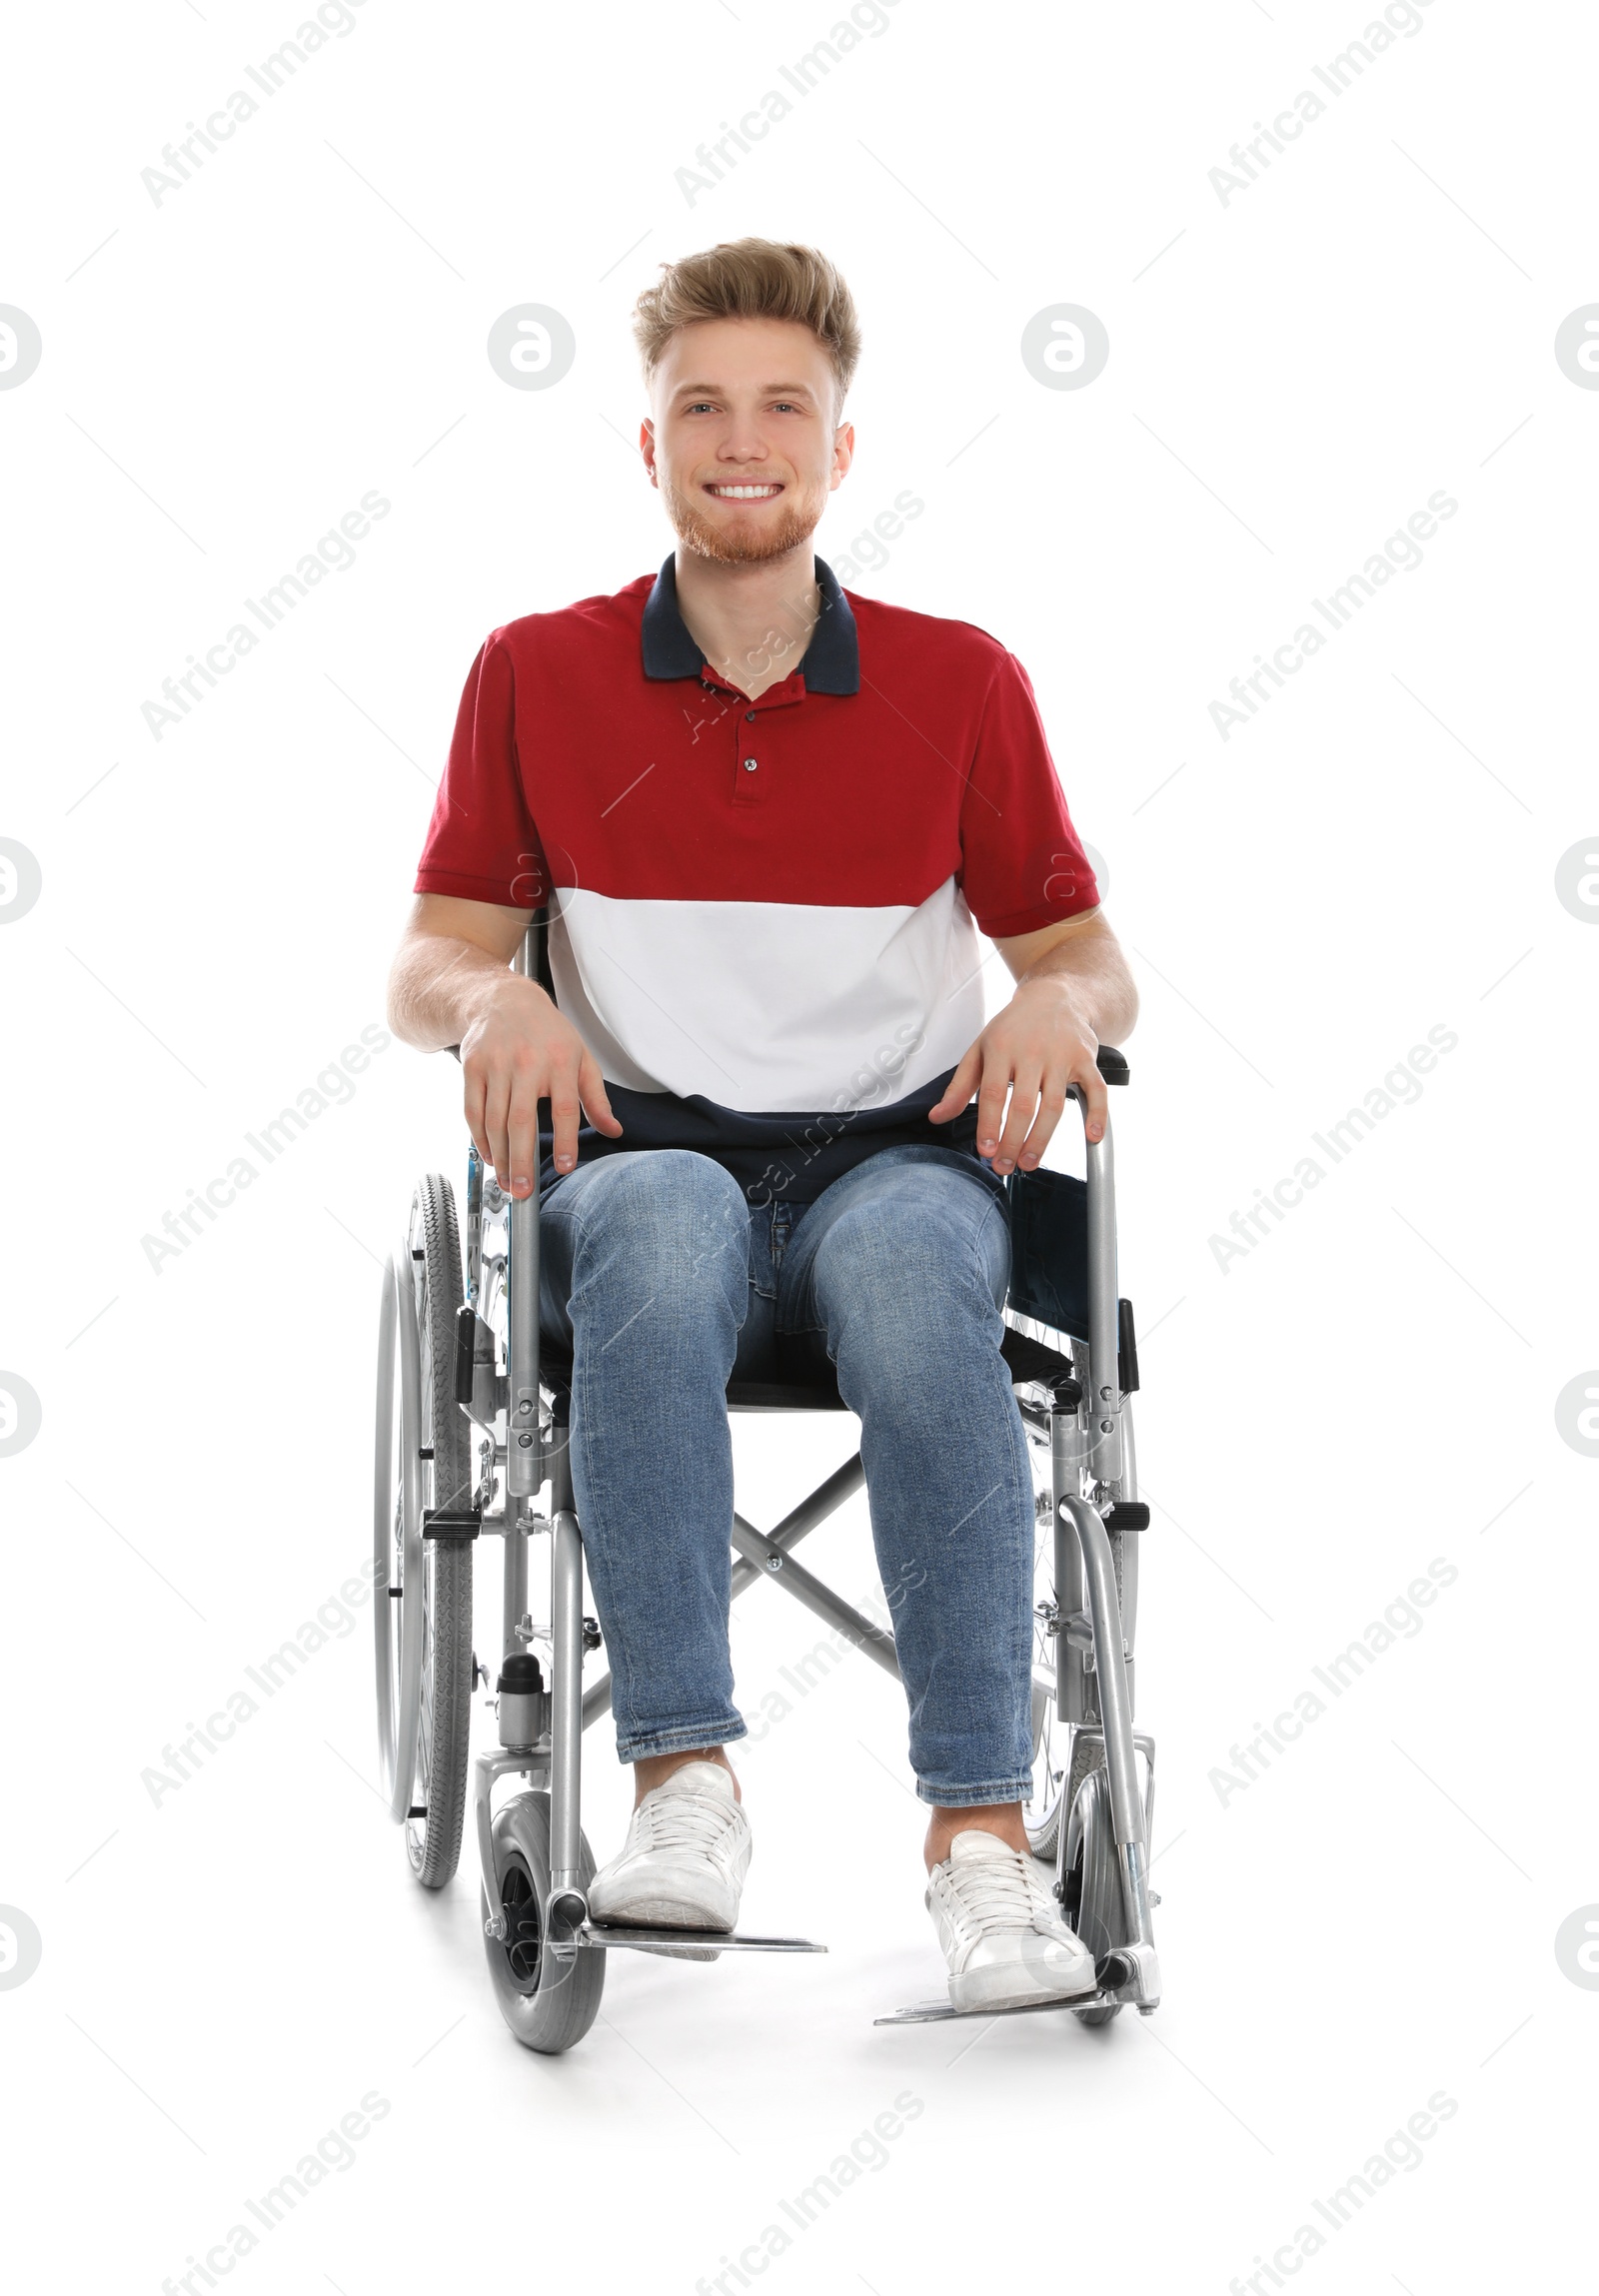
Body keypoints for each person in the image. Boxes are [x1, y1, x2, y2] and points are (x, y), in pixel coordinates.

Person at [386, 238, 1138, 2013]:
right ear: (644, 446)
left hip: (896, 1157)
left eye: (781, 406)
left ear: (838, 450)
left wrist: (1056, 997)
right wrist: (494, 998)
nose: (743, 439)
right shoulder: (535, 673)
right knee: (659, 1223)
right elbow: (430, 957)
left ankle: (982, 1844)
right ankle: (680, 1789)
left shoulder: (960, 682)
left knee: (908, 1267)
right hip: (642, 1159)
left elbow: (1088, 961)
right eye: (700, 407)